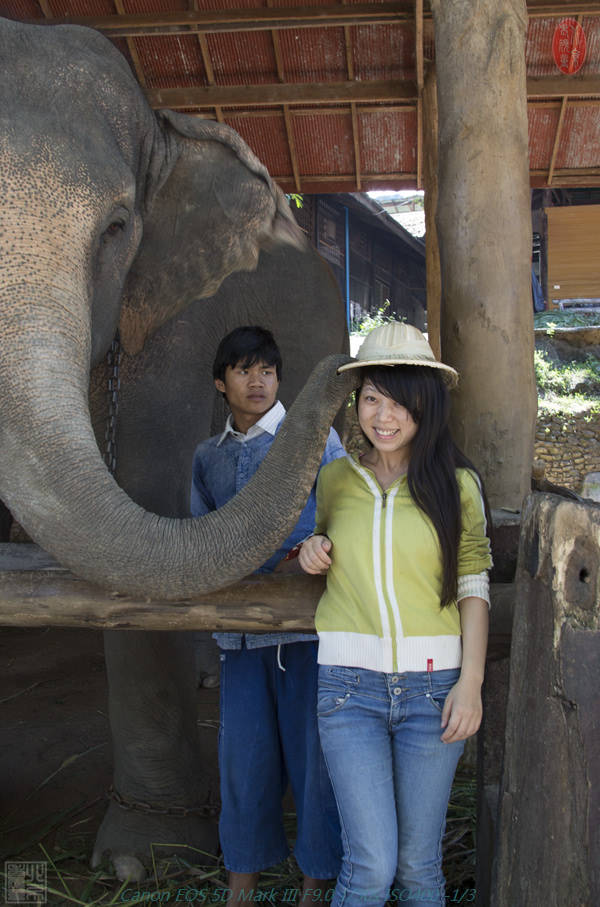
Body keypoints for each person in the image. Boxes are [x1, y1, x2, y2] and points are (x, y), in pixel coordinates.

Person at [299, 321, 492, 907]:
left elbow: (473, 585)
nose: (383, 416)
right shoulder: (334, 479)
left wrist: (472, 683)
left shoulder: (456, 485)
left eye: (398, 401)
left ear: (425, 405)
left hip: (434, 693)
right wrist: (310, 550)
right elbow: (319, 542)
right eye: (371, 399)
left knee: (417, 868)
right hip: (346, 692)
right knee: (370, 865)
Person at [190, 325, 344, 903]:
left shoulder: (317, 442)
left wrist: (319, 549)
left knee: (316, 763)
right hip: (239, 642)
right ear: (219, 383)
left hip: (310, 635)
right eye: (243, 370)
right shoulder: (208, 458)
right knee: (244, 767)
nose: (257, 382)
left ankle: (315, 885)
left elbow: (344, 520)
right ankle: (242, 887)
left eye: (268, 371)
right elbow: (198, 542)